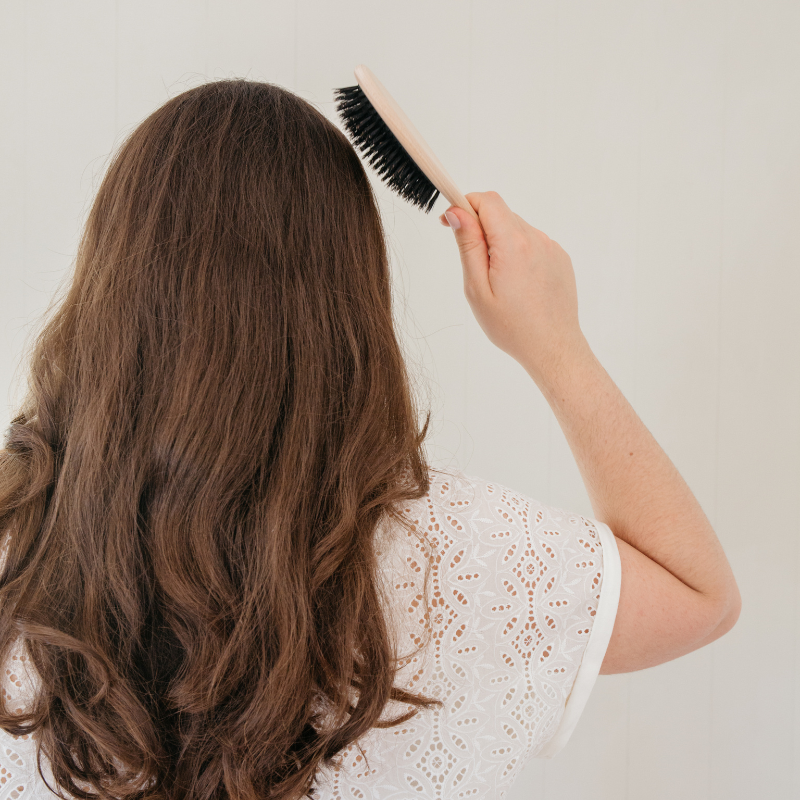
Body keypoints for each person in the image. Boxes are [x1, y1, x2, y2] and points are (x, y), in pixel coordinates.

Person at [0, 79, 740, 800]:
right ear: (350, 304)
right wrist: (553, 340)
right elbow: (698, 595)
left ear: (110, 286)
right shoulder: (464, 565)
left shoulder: (15, 543)